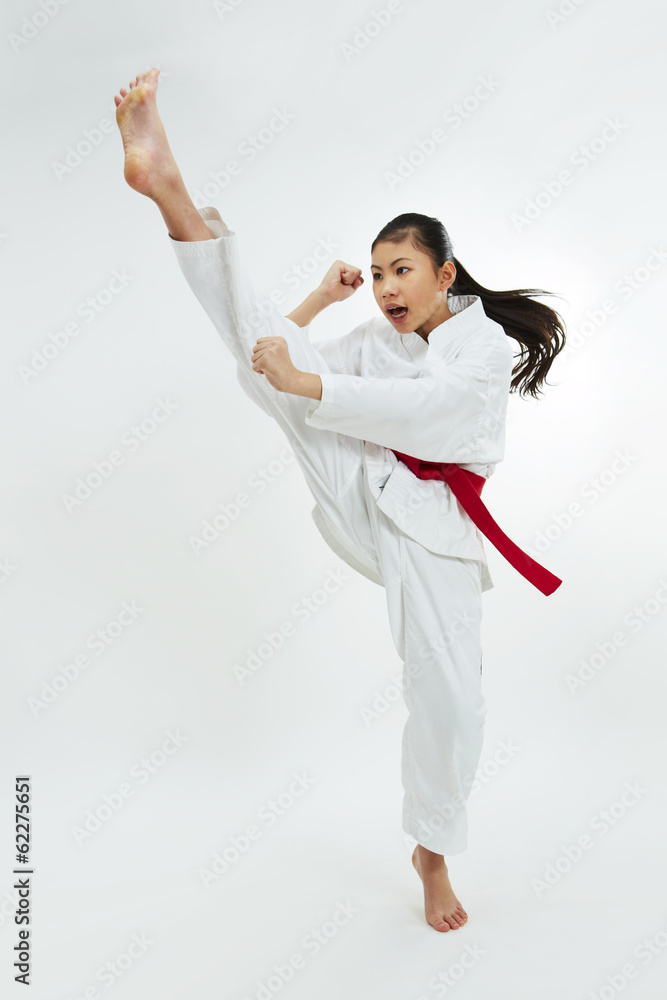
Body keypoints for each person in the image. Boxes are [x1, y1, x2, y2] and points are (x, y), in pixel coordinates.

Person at [113, 68, 566, 933]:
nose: (386, 286)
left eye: (401, 270)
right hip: (361, 481)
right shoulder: (372, 339)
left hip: (434, 530)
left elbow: (439, 415)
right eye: (377, 272)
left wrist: (308, 382)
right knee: (268, 364)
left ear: (443, 273)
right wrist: (320, 305)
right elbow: (272, 361)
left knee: (455, 705)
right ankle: (169, 191)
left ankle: (430, 850)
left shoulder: (478, 348)